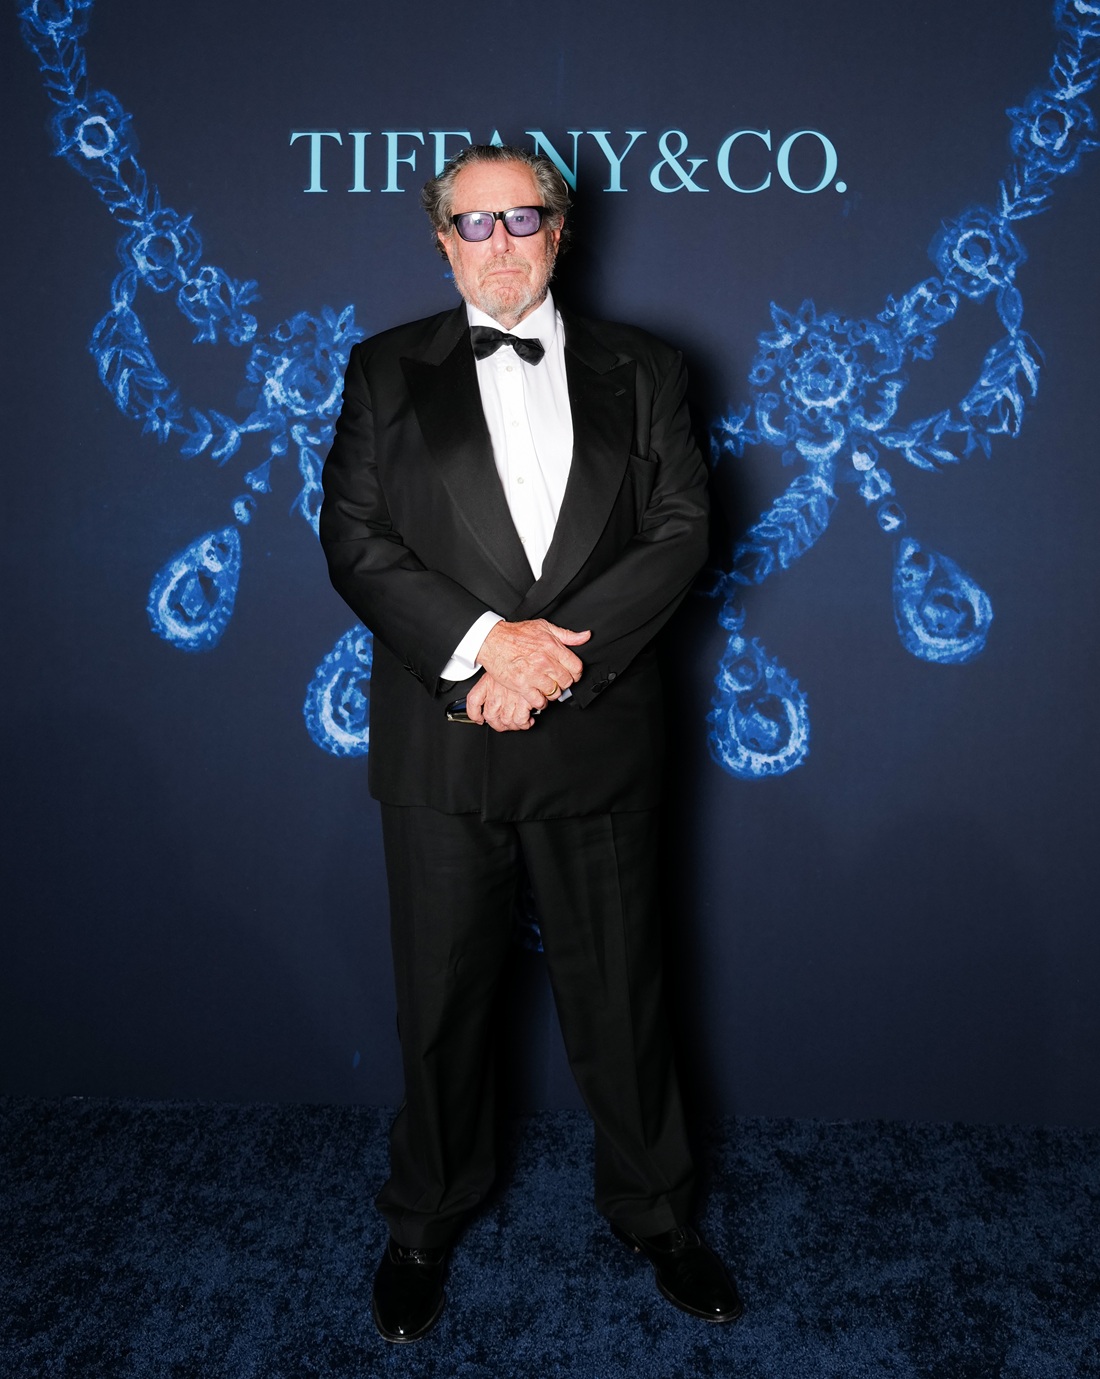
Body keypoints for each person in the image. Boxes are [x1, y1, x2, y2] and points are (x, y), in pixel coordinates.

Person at [320, 144, 741, 1343]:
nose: (497, 243)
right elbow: (354, 540)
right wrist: (483, 650)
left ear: (559, 230)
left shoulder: (646, 368)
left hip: (595, 733)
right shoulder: (381, 368)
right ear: (438, 239)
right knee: (438, 1005)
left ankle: (657, 1212)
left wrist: (551, 663)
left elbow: (679, 529)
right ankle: (422, 1218)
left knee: (621, 999)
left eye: (520, 218)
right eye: (472, 222)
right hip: (443, 735)